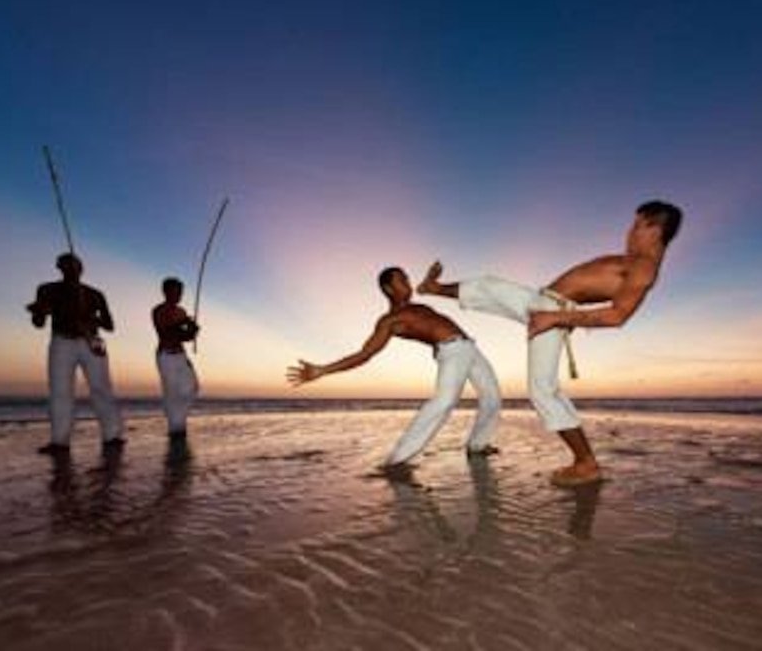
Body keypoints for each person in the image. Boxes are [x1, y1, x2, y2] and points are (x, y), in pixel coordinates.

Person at [417, 200, 683, 486]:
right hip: (542, 301)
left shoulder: (644, 267)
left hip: (554, 312)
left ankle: (586, 463)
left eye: (636, 226)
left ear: (655, 229)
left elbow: (617, 316)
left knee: (542, 391)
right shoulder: (635, 262)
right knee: (488, 286)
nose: (629, 233)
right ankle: (433, 289)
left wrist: (555, 318)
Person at [286, 267, 501, 469]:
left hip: (470, 347)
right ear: (389, 288)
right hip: (452, 351)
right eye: (401, 280)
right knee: (444, 402)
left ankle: (477, 446)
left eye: (407, 278)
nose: (407, 283)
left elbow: (433, 322)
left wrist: (432, 280)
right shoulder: (390, 321)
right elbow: (365, 354)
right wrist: (322, 370)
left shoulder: (419, 307)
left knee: (492, 396)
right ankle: (398, 460)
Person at [27, 252, 124, 454]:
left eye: (75, 266)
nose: (71, 270)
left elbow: (110, 325)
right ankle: (59, 442)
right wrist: (38, 311)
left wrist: (90, 319)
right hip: (62, 342)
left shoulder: (95, 294)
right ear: (59, 268)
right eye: (65, 266)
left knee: (101, 389)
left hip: (92, 343)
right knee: (60, 392)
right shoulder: (47, 289)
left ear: (81, 268)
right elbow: (38, 324)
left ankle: (112, 436)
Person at [152, 277, 200, 438]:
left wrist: (192, 331)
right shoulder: (158, 310)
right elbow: (165, 333)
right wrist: (183, 325)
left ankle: (178, 420)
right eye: (176, 291)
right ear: (166, 292)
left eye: (181, 292)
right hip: (165, 355)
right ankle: (176, 429)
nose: (179, 295)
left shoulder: (182, 312)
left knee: (192, 387)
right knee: (172, 393)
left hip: (181, 354)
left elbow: (183, 337)